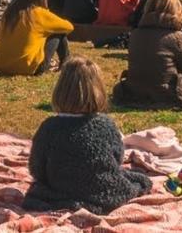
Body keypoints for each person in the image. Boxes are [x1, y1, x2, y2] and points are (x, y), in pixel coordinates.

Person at [23, 57, 153, 214]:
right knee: (139, 179)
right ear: (98, 90)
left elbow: (37, 169)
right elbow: (116, 159)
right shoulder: (106, 125)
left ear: (60, 90)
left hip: (57, 192)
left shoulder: (49, 127)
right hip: (102, 192)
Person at [0, 0, 73, 75]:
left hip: (0, 66)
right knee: (59, 32)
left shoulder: (9, 12)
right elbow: (69, 27)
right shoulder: (40, 14)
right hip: (27, 68)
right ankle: (65, 63)